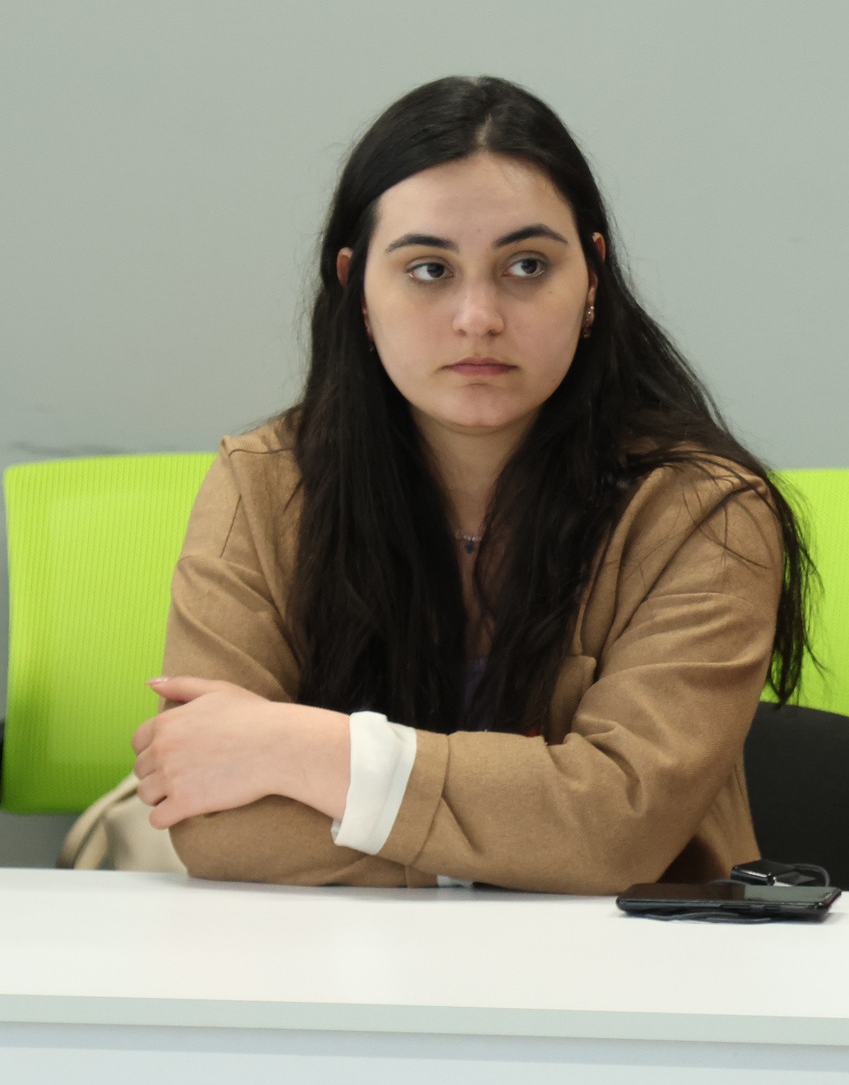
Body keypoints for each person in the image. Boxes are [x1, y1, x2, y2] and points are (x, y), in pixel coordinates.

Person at [131, 76, 809, 892]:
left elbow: (617, 829)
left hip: (622, 963)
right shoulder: (264, 485)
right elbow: (216, 823)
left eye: (527, 265)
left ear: (593, 278)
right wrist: (529, 838)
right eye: (429, 269)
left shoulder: (704, 512)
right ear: (356, 289)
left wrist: (306, 751)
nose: (478, 317)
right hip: (331, 961)